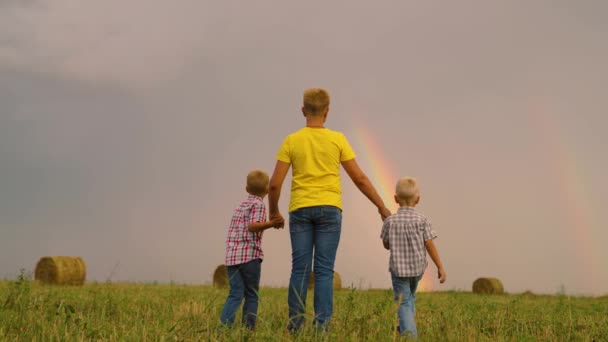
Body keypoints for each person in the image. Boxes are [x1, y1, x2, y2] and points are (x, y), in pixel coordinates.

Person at [268, 88, 391, 331]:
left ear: (303, 111)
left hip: (300, 209)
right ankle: (321, 329)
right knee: (324, 270)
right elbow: (360, 179)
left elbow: (273, 184)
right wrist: (381, 205)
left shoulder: (292, 140)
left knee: (300, 268)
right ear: (327, 112)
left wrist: (273, 212)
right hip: (329, 209)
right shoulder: (338, 139)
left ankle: (295, 327)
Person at [381, 177, 446, 338]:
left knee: (403, 302)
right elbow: (429, 244)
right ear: (418, 199)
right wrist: (440, 266)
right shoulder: (422, 220)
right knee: (410, 298)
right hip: (417, 270)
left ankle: (409, 335)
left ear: (395, 198)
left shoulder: (390, 221)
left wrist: (387, 227)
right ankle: (405, 326)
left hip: (399, 271)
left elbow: (386, 245)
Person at [220, 170, 284, 330]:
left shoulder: (239, 206)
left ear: (247, 189)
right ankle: (248, 330)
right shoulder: (258, 204)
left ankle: (223, 328)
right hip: (249, 256)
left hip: (232, 257)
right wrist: (272, 223)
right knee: (251, 295)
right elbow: (252, 226)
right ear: (267, 190)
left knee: (235, 293)